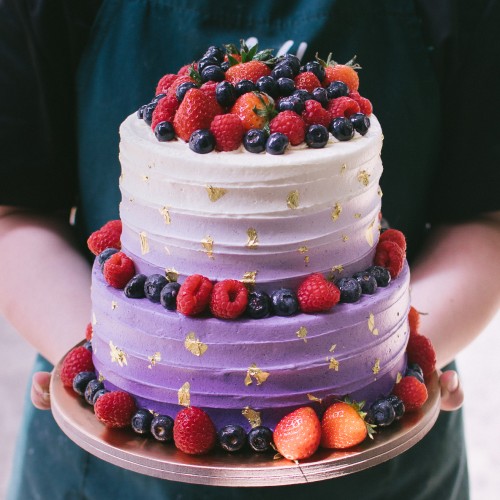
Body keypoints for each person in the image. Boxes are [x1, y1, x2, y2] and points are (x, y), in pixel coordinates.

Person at [1, 0, 499, 498]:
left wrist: (394, 353)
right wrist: (108, 356)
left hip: (385, 472)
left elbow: (482, 217)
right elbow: (15, 213)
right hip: (108, 476)